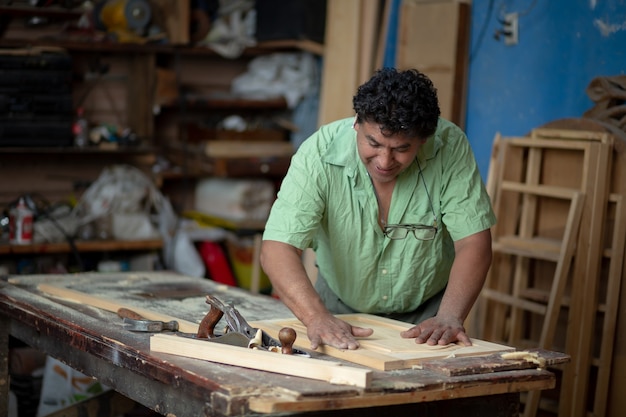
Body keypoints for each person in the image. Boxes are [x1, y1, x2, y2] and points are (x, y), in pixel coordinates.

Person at [260, 68, 496, 351]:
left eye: (401, 148)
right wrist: (316, 316)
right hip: (336, 311)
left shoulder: (450, 146)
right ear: (357, 124)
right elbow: (277, 247)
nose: (385, 160)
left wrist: (450, 315)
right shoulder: (318, 154)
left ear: (424, 139)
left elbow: (473, 242)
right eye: (374, 143)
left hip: (428, 318)